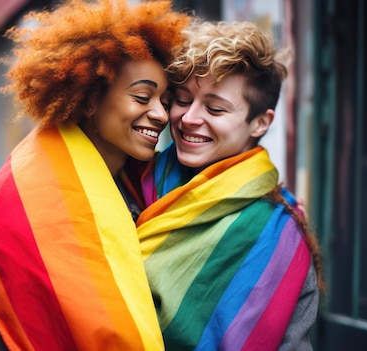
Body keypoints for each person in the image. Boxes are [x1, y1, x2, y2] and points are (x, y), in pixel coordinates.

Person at [0, 0, 191, 350]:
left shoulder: (149, 188)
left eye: (166, 100)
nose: (159, 113)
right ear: (92, 98)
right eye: (142, 96)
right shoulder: (16, 209)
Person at [126, 20, 325, 350]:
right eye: (183, 99)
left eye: (215, 108)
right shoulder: (132, 180)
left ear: (261, 122)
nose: (189, 118)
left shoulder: (281, 237)